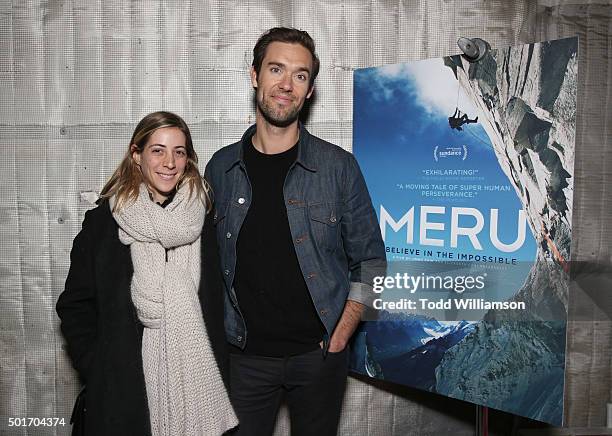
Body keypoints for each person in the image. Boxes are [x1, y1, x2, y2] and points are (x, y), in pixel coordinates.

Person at [204, 28, 386, 436]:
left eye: (300, 75)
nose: (286, 84)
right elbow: (204, 266)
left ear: (309, 91)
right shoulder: (220, 169)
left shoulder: (338, 168)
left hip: (318, 356)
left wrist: (341, 336)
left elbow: (372, 261)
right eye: (276, 69)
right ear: (255, 76)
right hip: (243, 358)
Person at [56, 111, 238, 436]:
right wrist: (100, 368)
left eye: (179, 152)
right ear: (136, 154)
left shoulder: (205, 221)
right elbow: (75, 306)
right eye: (158, 150)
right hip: (123, 397)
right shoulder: (102, 223)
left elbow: (221, 300)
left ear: (188, 159)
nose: (169, 162)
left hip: (195, 387)